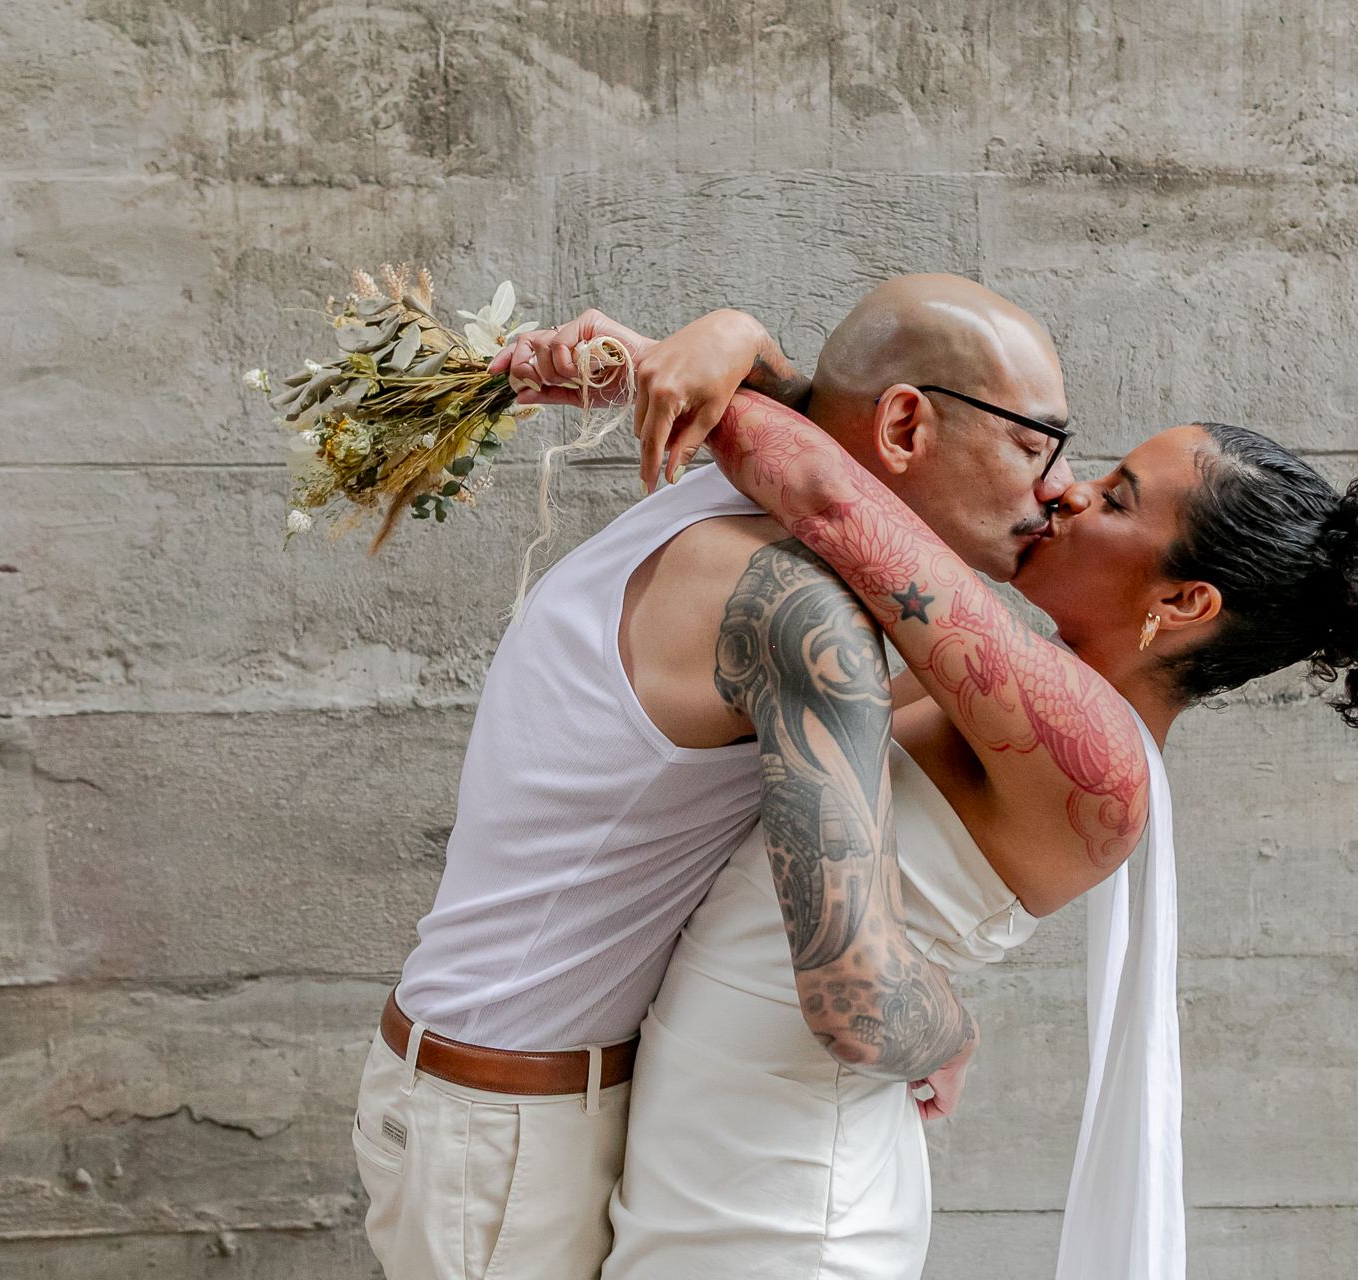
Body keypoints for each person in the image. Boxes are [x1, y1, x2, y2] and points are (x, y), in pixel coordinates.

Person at [525, 332, 1358, 1275]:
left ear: (1184, 603)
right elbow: (871, 459)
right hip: (719, 1141)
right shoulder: (1016, 689)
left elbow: (831, 500)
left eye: (1117, 499)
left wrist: (660, 361)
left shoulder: (1094, 757)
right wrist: (724, 355)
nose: (1068, 491)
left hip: (792, 1196)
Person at [349, 274, 1078, 1279]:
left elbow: (816, 417)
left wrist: (735, 339)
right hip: (506, 1133)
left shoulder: (745, 495)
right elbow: (860, 1002)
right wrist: (949, 1029)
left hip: (523, 1104)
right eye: (1036, 445)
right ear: (905, 425)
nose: (1060, 487)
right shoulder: (796, 606)